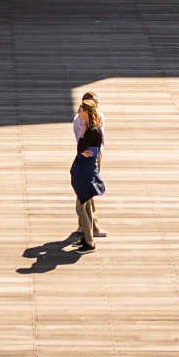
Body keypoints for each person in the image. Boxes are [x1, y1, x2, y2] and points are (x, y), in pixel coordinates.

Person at [70, 95, 106, 253]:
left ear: (87, 112)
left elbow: (80, 147)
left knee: (81, 207)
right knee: (87, 205)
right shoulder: (91, 128)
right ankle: (87, 236)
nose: (79, 112)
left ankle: (90, 242)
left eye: (81, 110)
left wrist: (83, 134)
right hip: (86, 169)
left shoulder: (92, 130)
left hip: (86, 171)